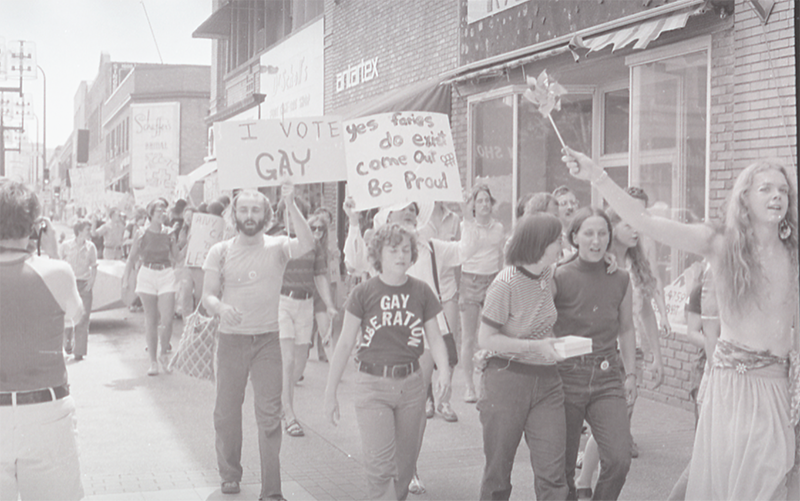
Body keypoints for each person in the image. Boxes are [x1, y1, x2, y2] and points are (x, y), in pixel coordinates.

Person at [563, 149, 799, 500]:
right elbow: (646, 222)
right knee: (738, 479)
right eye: (765, 189)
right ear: (744, 198)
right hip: (732, 385)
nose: (777, 196)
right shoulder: (719, 243)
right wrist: (598, 176)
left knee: (773, 472)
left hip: (778, 385)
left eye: (783, 190)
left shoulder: (793, 251)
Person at [324, 223, 452, 501]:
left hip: (411, 386)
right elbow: (345, 343)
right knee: (380, 467)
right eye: (393, 249)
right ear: (378, 254)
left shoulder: (422, 291)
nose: (401, 255)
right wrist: (330, 391)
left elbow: (435, 337)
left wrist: (444, 371)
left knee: (404, 467)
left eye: (406, 249)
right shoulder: (363, 293)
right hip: (372, 386)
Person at [202, 184, 313, 499]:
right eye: (243, 209)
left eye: (256, 210)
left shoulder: (277, 246)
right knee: (226, 412)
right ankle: (230, 473)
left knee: (268, 414)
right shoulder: (220, 251)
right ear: (234, 214)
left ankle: (272, 491)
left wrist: (290, 204)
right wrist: (221, 307)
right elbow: (208, 294)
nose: (249, 215)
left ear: (266, 214)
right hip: (231, 341)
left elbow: (307, 242)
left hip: (268, 341)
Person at [0, 178, 85, 500]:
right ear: (34, 226)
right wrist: (52, 251)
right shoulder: (57, 272)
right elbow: (75, 316)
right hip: (45, 411)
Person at [573, 206, 666, 498]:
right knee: (613, 426)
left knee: (618, 424)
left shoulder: (636, 267)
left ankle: (587, 482)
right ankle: (584, 481)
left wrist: (655, 356)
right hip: (605, 354)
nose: (635, 229)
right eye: (628, 223)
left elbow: (645, 312)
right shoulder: (605, 265)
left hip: (632, 353)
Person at [476, 213, 568, 501]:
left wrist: (608, 261)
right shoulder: (505, 284)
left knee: (553, 474)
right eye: (557, 239)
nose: (562, 243)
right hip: (506, 379)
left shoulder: (546, 272)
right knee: (498, 473)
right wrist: (534, 347)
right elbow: (485, 339)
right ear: (539, 244)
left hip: (547, 382)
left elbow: (576, 264)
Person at [553, 207, 636, 501]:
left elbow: (626, 329)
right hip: (566, 377)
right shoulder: (559, 276)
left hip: (607, 376)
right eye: (588, 233)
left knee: (619, 458)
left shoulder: (621, 277)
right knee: (561, 469)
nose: (596, 240)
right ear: (574, 236)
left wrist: (631, 374)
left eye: (602, 233)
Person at [278, 209, 337, 439]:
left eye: (321, 229)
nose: (317, 232)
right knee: (288, 359)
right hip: (282, 302)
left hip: (306, 303)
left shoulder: (316, 249)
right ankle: (289, 414)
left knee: (299, 364)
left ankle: (281, 398)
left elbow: (320, 276)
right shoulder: (282, 242)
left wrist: (329, 304)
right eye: (313, 227)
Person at [123, 197, 179, 376]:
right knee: (151, 320)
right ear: (151, 214)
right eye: (158, 211)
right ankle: (153, 361)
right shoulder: (141, 233)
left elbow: (177, 257)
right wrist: (126, 279)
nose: (162, 214)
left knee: (167, 320)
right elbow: (132, 258)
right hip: (147, 274)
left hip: (166, 273)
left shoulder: (170, 233)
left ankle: (164, 354)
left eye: (164, 211)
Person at [460, 185, 505, 404]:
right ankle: (469, 387)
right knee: (469, 337)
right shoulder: (466, 226)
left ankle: (486, 384)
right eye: (480, 201)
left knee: (489, 335)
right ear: (473, 206)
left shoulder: (498, 228)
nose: (484, 204)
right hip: (469, 280)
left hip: (492, 280)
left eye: (487, 200)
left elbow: (501, 256)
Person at [60, 218, 98, 361]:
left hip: (84, 284)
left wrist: (92, 281)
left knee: (83, 317)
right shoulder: (66, 246)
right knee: (68, 315)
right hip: (69, 284)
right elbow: (58, 262)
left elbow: (94, 266)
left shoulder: (91, 247)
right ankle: (68, 340)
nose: (90, 232)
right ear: (80, 231)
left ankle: (79, 351)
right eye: (88, 229)